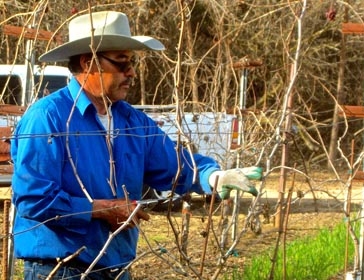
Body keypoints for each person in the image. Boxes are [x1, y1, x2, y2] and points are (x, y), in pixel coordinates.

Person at [11, 11, 262, 280]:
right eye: (121, 63)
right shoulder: (47, 118)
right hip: (61, 270)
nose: (131, 73)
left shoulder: (132, 121)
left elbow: (174, 164)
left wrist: (213, 176)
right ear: (89, 62)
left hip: (116, 269)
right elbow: (34, 199)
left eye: (131, 63)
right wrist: (104, 210)